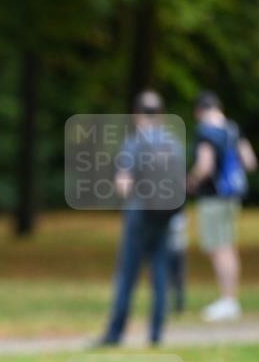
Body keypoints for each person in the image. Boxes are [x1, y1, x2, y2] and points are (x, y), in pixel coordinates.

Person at [94, 91, 185, 346]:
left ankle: (115, 333)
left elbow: (123, 183)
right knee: (160, 273)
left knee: (127, 275)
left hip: (139, 214)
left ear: (136, 114)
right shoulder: (173, 143)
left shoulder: (135, 142)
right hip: (166, 216)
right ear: (162, 114)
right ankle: (156, 334)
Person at [187, 91, 256, 321]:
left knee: (219, 248)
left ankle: (228, 301)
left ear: (199, 111)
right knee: (228, 245)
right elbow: (249, 162)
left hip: (213, 197)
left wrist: (191, 182)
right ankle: (230, 298)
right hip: (232, 196)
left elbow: (205, 165)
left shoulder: (205, 132)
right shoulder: (233, 129)